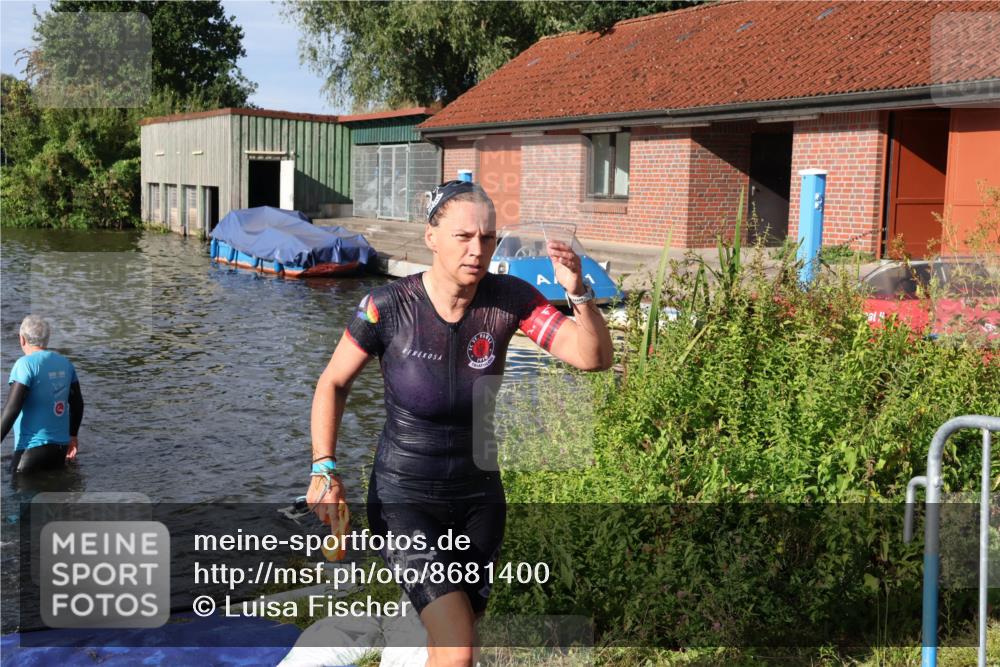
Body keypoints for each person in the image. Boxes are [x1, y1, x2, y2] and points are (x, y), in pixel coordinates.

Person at [307, 180, 613, 667]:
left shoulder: (509, 299)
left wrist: (579, 294)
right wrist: (324, 467)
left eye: (488, 238)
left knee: (452, 642)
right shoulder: (386, 307)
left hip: (479, 502)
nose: (478, 250)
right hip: (403, 499)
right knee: (456, 648)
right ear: (432, 237)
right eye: (464, 237)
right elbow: (332, 384)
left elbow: (591, 357)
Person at [1, 315, 84, 474]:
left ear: (22, 339)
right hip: (60, 451)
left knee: (19, 496)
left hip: (30, 450)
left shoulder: (24, 365)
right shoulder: (65, 363)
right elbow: (77, 403)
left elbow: (12, 409)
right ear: (47, 339)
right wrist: (72, 436)